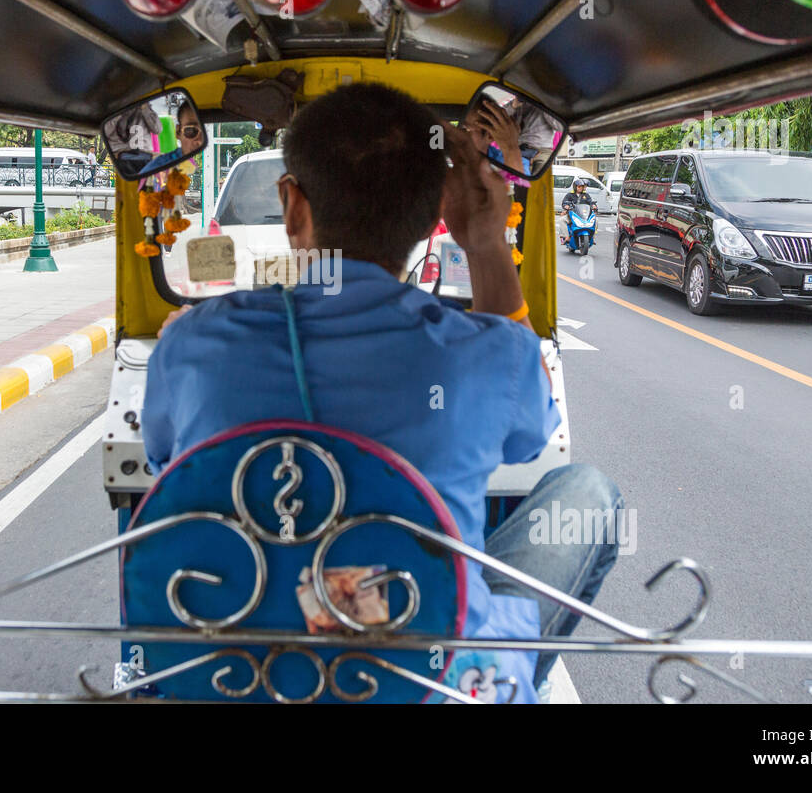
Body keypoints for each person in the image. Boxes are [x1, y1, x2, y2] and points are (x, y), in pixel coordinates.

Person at [142, 83, 620, 702]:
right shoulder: (487, 354)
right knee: (588, 493)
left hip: (232, 673)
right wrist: (484, 241)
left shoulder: (193, 344)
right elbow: (532, 437)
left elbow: (164, 467)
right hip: (429, 678)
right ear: (431, 220)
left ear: (292, 206)